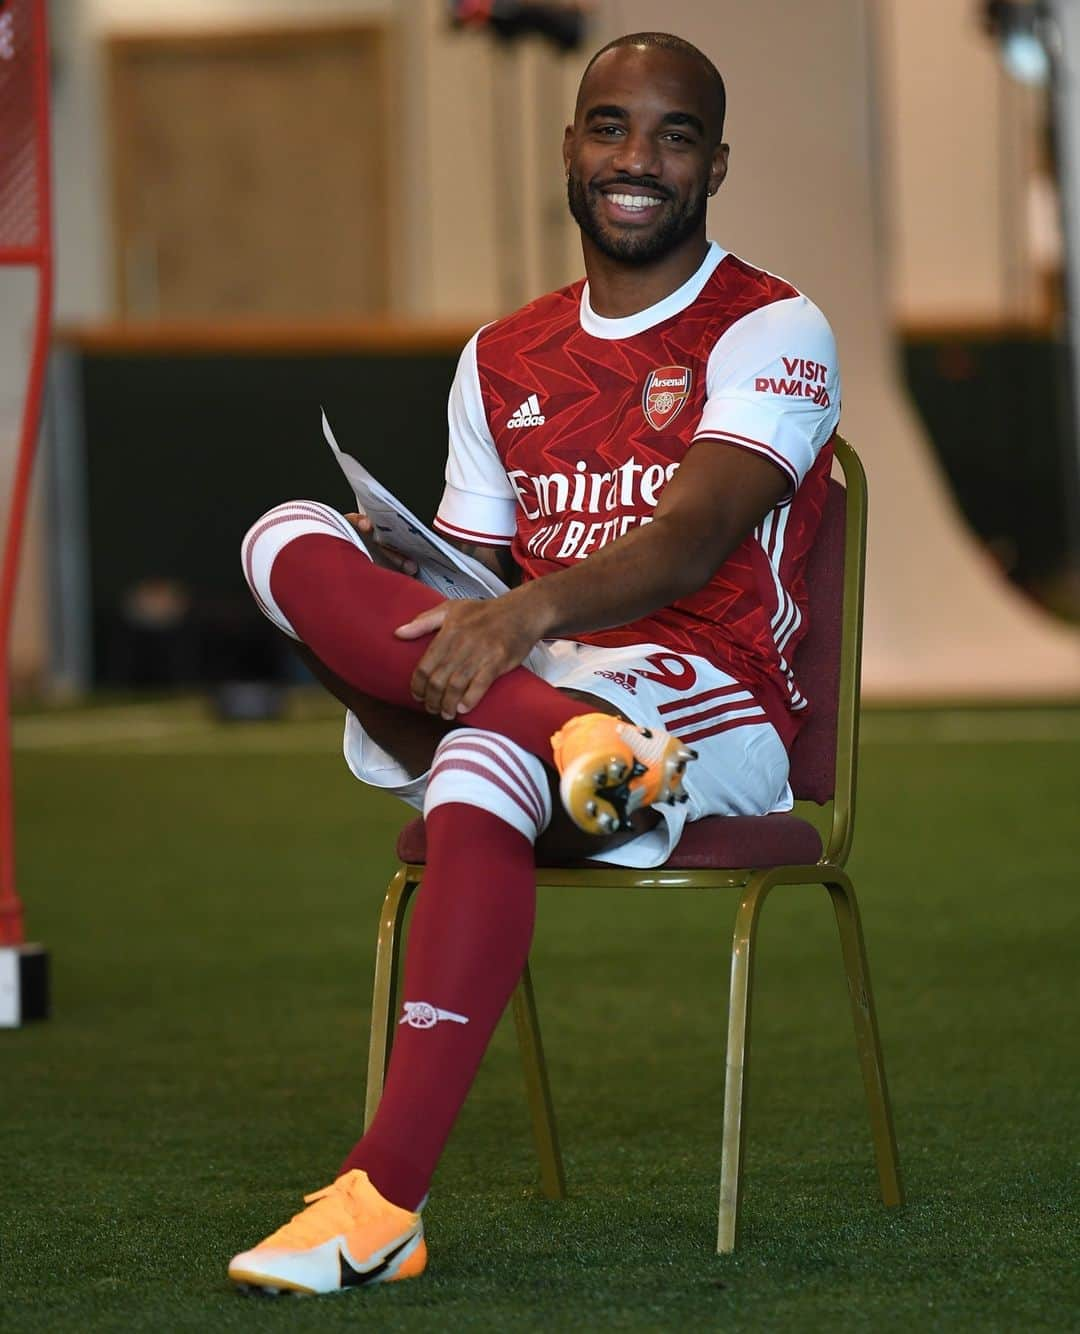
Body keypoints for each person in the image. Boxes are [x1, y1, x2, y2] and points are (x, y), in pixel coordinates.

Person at [230, 30, 840, 1296]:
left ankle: (380, 1200)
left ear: (716, 165)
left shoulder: (775, 323)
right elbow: (455, 582)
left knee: (479, 770)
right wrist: (402, 580)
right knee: (281, 536)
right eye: (610, 126)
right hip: (541, 689)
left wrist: (514, 623)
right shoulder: (500, 356)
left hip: (707, 704)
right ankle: (556, 736)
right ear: (571, 146)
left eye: (675, 136)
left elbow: (691, 542)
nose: (637, 159)